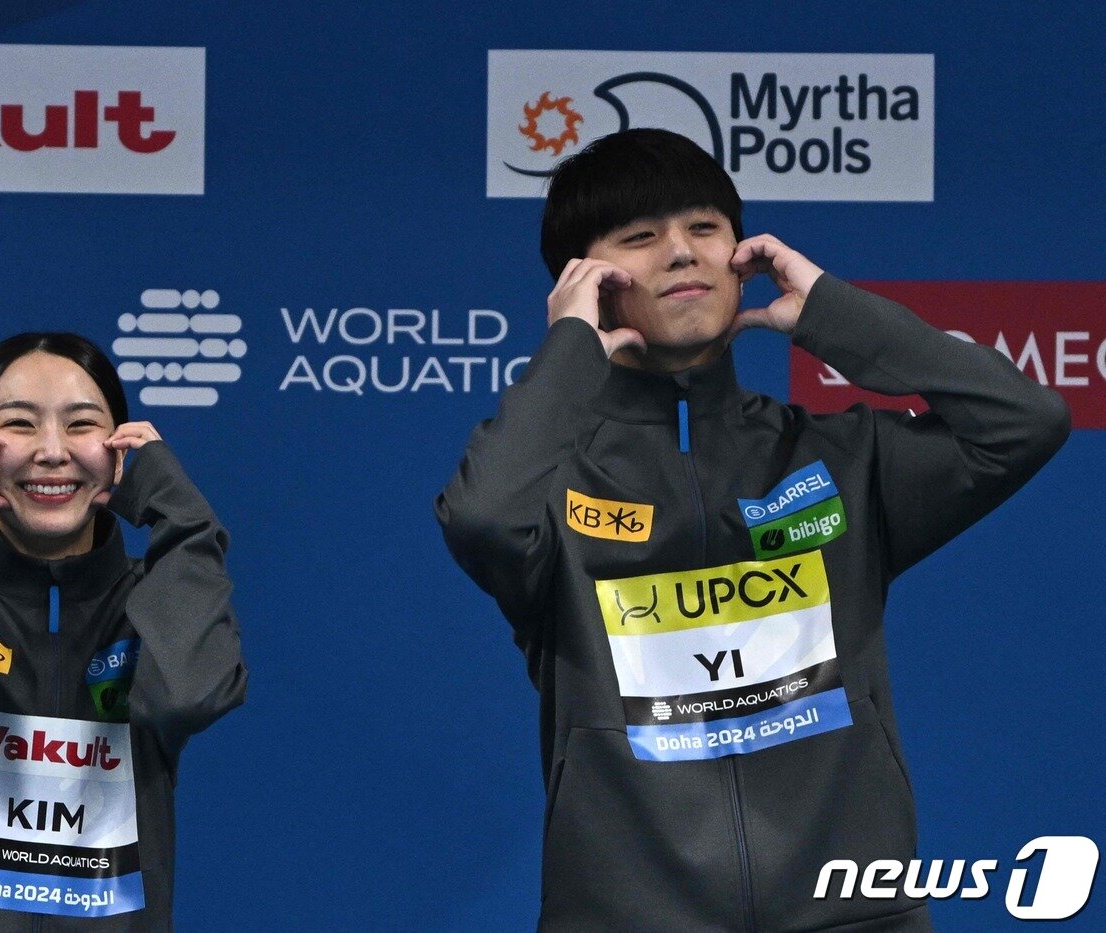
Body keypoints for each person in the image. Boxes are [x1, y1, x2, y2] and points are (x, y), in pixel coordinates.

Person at [435, 129, 1069, 931]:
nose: (680, 254)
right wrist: (571, 350)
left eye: (705, 228)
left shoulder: (841, 462)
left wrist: (832, 315)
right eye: (640, 237)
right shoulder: (554, 488)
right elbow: (484, 516)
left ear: (742, 253)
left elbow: (1025, 421)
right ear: (585, 282)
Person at [0, 333, 247, 931]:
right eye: (20, 424)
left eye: (82, 424)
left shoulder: (152, 603)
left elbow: (187, 695)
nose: (53, 452)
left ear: (120, 450)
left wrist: (180, 514)